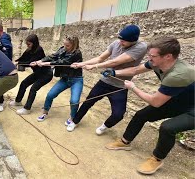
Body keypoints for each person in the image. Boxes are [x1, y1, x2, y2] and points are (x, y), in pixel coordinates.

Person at [104, 37, 194, 174]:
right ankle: (124, 141)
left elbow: (155, 102)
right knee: (141, 114)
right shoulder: (156, 63)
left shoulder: (178, 74)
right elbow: (135, 70)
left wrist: (133, 87)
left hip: (193, 107)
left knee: (167, 127)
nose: (149, 58)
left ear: (168, 56)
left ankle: (157, 159)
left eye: (152, 55)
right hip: (181, 99)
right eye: (149, 55)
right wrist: (114, 72)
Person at [66, 24, 147, 133]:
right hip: (105, 82)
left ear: (133, 41)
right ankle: (75, 121)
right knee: (88, 102)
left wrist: (94, 66)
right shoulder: (116, 43)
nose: (120, 42)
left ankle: (104, 126)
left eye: (123, 41)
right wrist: (81, 64)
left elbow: (116, 61)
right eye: (119, 39)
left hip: (120, 86)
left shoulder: (141, 47)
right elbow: (100, 58)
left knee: (119, 114)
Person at [33, 36, 83, 122]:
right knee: (50, 95)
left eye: (67, 45)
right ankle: (44, 112)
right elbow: (53, 56)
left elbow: (62, 62)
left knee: (74, 100)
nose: (65, 47)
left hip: (76, 80)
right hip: (64, 79)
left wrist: (46, 64)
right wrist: (40, 61)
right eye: (64, 44)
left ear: (74, 45)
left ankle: (72, 117)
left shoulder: (77, 53)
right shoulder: (63, 49)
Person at [9, 34, 53, 115]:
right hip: (38, 73)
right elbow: (23, 58)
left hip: (46, 74)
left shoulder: (39, 50)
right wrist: (16, 61)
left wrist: (19, 63)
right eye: (27, 44)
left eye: (29, 44)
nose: (27, 46)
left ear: (34, 43)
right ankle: (18, 101)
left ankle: (27, 108)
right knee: (24, 83)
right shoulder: (29, 50)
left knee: (33, 88)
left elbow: (29, 63)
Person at [0, 22, 13, 112]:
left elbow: (6, 51)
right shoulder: (2, 38)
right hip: (4, 64)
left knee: (0, 83)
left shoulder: (4, 39)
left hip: (3, 65)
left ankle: (1, 103)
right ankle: (0, 101)